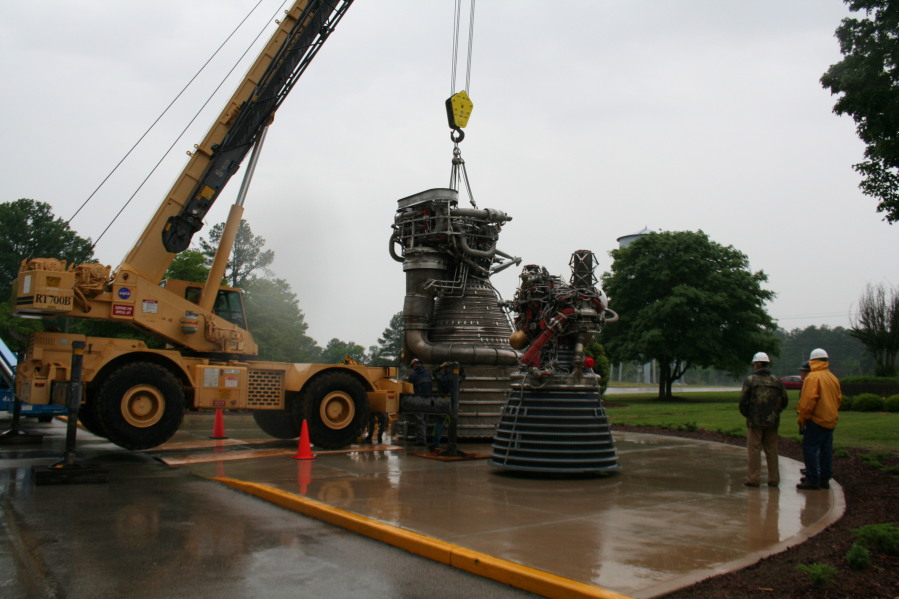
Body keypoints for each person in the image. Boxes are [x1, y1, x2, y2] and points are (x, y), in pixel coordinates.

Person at [739, 351, 789, 488]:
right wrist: (775, 412)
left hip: (754, 421)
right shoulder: (777, 381)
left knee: (754, 451)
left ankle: (753, 479)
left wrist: (748, 414)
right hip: (772, 421)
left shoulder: (750, 381)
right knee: (772, 450)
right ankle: (774, 479)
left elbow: (743, 402)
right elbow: (784, 400)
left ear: (756, 365)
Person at [796, 348, 842, 491]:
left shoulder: (813, 377)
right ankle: (824, 479)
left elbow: (808, 401)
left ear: (812, 361)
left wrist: (803, 419)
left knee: (810, 448)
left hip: (816, 420)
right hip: (830, 419)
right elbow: (839, 399)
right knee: (826, 450)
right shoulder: (833, 377)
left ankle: (812, 479)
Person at [405, 359, 432, 446]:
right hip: (428, 399)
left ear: (415, 365)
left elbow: (409, 387)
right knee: (425, 420)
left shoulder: (414, 375)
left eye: (412, 366)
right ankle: (424, 438)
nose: (412, 368)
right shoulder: (428, 373)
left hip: (419, 399)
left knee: (420, 420)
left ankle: (421, 440)